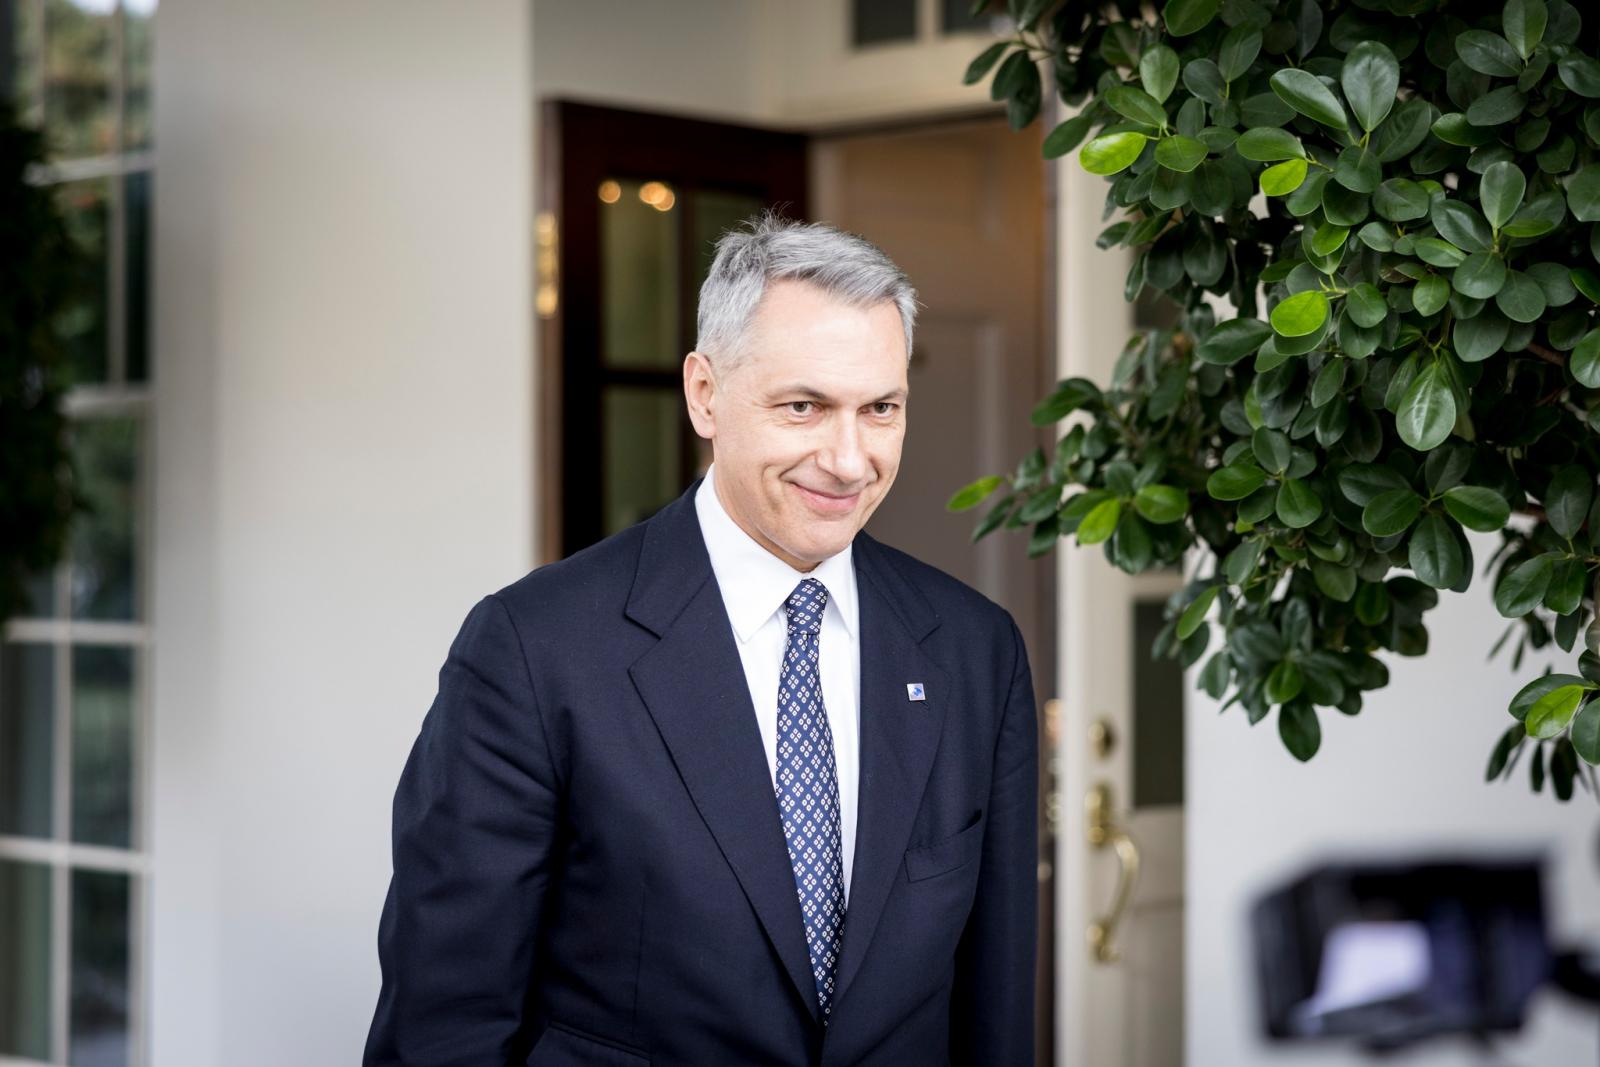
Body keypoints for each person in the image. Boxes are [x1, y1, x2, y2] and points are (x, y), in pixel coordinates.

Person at [364, 215, 1038, 1066]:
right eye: (804, 406)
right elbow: (445, 1025)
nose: (848, 458)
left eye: (881, 409)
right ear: (704, 394)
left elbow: (995, 1011)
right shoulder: (534, 650)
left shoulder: (976, 653)